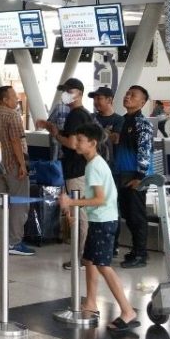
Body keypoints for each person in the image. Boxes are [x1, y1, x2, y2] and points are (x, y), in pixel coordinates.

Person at [59, 123, 139, 332]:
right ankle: (91, 302)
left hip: (104, 221)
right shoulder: (95, 163)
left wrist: (72, 202)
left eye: (80, 140)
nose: (76, 143)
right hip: (101, 219)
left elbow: (99, 199)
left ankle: (127, 310)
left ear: (92, 143)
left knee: (103, 266)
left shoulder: (94, 166)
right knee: (89, 260)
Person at [36, 77, 94, 268]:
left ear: (79, 93)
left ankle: (82, 257)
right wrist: (54, 129)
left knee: (79, 215)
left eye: (69, 91)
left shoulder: (75, 115)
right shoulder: (84, 114)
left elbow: (72, 143)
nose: (65, 95)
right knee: (81, 214)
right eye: (64, 91)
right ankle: (84, 255)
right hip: (82, 169)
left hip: (76, 171)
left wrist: (55, 135)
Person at [0, 85, 34, 257]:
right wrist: (22, 164)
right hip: (13, 166)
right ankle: (14, 241)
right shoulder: (13, 116)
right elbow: (15, 141)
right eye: (14, 97)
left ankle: (2, 240)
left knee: (0, 204)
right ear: (5, 100)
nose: (17, 99)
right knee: (19, 203)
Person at [113, 85, 156, 269]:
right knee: (128, 214)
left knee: (136, 215)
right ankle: (136, 250)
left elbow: (145, 150)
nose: (128, 96)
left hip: (136, 176)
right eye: (127, 93)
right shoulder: (122, 121)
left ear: (142, 102)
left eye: (133, 95)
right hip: (122, 173)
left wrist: (140, 176)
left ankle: (140, 254)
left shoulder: (142, 123)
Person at [89, 86, 123, 164]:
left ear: (109, 100)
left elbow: (115, 139)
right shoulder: (90, 117)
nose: (95, 102)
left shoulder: (119, 119)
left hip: (109, 163)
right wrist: (106, 134)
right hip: (91, 161)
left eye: (99, 98)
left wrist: (93, 134)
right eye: (94, 99)